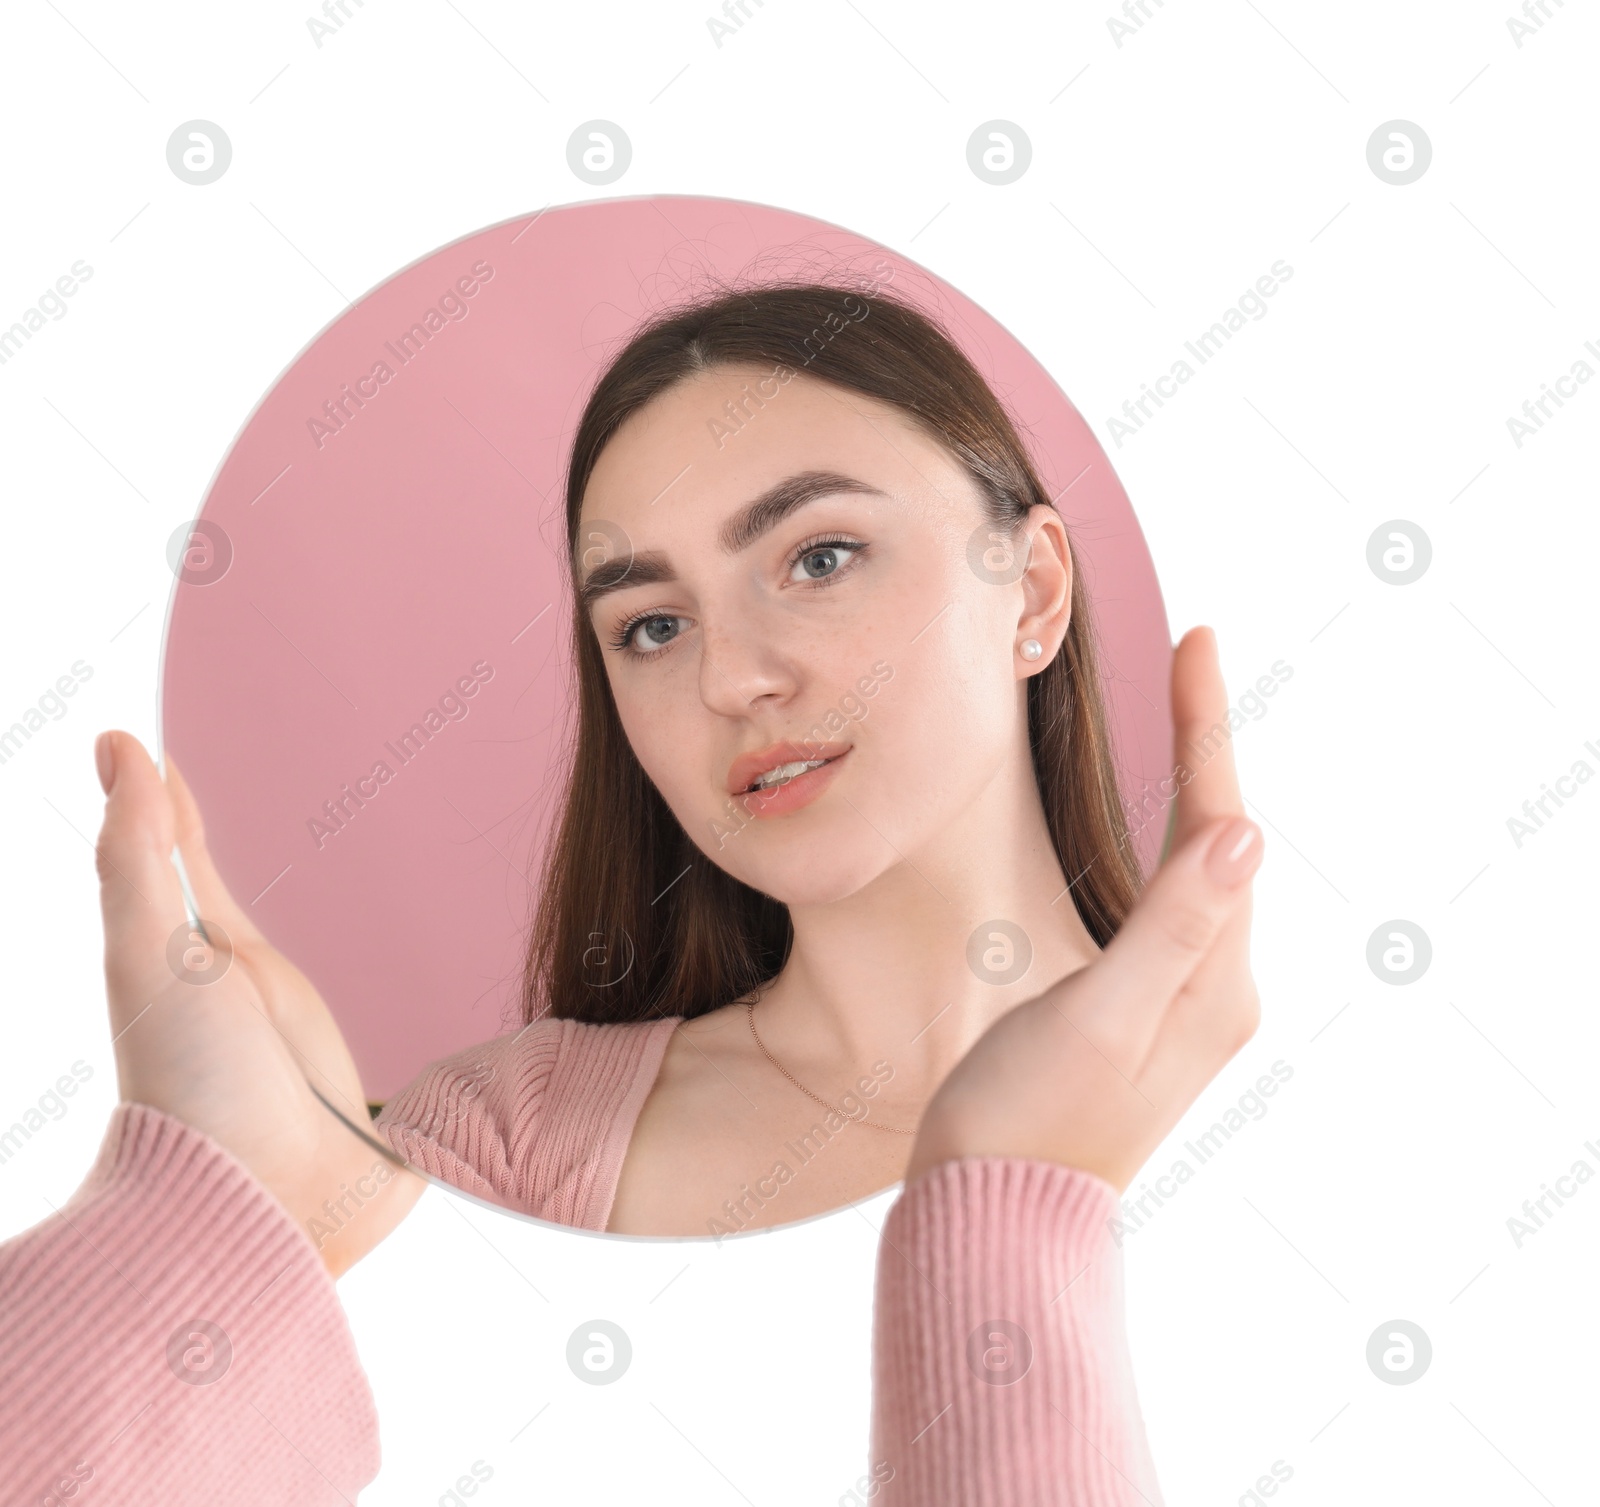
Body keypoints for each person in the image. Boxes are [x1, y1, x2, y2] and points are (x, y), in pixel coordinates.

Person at [0, 281, 1264, 1505]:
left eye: (819, 556)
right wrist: (216, 1204)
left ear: (1033, 589)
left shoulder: (1321, 1136)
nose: (731, 679)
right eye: (651, 626)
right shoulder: (492, 1145)